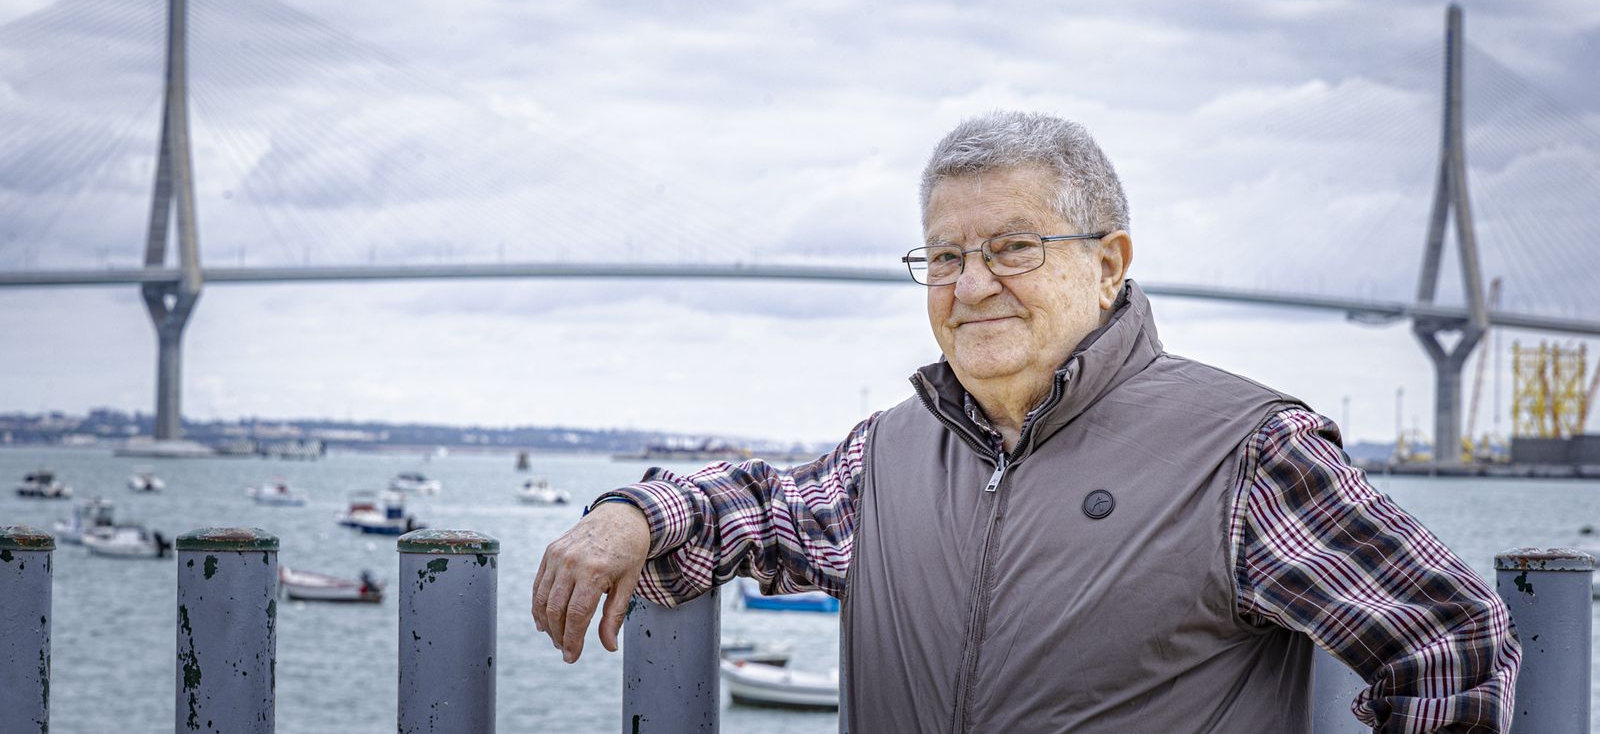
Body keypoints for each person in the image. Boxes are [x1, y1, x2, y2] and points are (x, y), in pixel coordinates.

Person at [532, 111, 1519, 732]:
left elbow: (1448, 643)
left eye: (1011, 247)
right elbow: (760, 506)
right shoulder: (890, 455)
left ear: (1107, 261)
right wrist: (635, 513)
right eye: (943, 257)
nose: (970, 286)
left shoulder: (1244, 453)